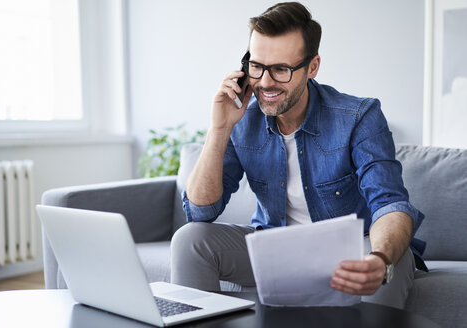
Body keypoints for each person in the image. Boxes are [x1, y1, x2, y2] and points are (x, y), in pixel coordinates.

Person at [170, 2, 425, 309]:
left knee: (385, 267)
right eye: (257, 66)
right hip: (276, 247)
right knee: (190, 240)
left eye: (281, 69)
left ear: (312, 67)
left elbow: (390, 203)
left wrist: (380, 258)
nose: (265, 82)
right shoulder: (242, 120)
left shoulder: (359, 116)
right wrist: (220, 127)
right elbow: (201, 213)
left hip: (356, 248)